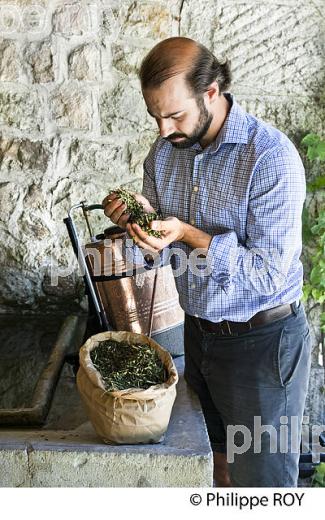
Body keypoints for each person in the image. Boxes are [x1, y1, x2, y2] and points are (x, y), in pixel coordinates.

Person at [102, 37, 312, 487]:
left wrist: (187, 234)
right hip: (198, 336)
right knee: (212, 470)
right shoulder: (164, 152)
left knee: (264, 486)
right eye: (155, 116)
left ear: (212, 92)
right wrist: (133, 223)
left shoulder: (270, 158)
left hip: (263, 346)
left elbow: (269, 273)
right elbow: (152, 248)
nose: (162, 129)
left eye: (175, 114)